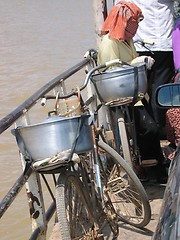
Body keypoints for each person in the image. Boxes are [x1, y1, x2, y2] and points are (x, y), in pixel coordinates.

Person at [97, 1, 168, 183]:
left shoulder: (126, 41)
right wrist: (138, 63)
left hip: (133, 92)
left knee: (151, 122)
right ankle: (152, 167)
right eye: (133, 23)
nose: (136, 28)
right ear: (123, 22)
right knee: (150, 128)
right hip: (119, 95)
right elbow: (113, 72)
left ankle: (154, 163)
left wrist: (139, 61)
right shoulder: (110, 43)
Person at [114, 0, 175, 134]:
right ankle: (156, 129)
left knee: (137, 91)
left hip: (133, 42)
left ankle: (145, 130)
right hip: (160, 43)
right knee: (159, 91)